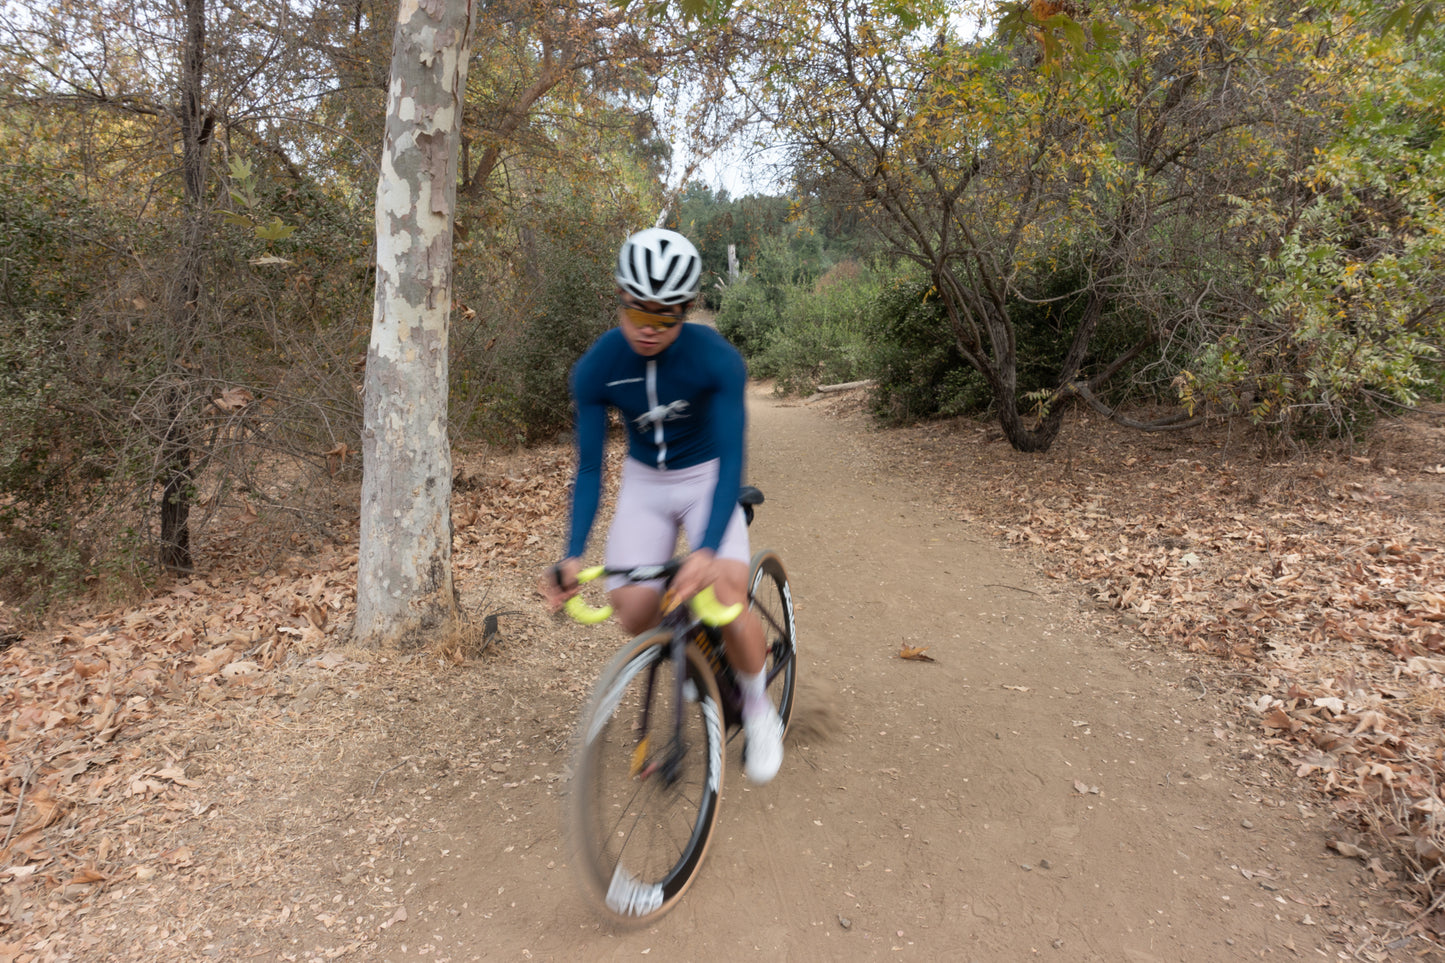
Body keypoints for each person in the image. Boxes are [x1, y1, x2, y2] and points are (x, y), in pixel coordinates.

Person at [538, 227, 784, 784]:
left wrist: (703, 549)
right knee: (633, 612)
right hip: (646, 481)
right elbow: (589, 469)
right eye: (636, 314)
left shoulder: (716, 360)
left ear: (687, 309)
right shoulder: (597, 367)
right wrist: (573, 553)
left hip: (706, 478)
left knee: (723, 592)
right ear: (619, 299)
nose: (648, 330)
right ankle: (694, 646)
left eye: (665, 317)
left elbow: (730, 458)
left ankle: (758, 705)